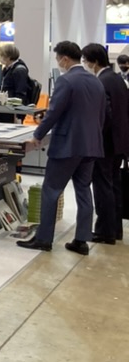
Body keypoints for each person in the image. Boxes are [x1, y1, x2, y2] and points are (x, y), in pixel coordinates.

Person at [18, 41, 105, 254]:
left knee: (51, 190)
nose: (58, 63)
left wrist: (36, 136)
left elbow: (54, 113)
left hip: (67, 146)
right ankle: (81, 240)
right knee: (84, 191)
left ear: (65, 59)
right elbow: (101, 115)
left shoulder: (66, 81)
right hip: (90, 145)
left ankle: (43, 239)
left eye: (58, 59)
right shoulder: (96, 82)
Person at [81, 43, 129, 244]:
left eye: (85, 61)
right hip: (119, 142)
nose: (84, 64)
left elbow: (105, 115)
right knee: (114, 185)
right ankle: (115, 229)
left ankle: (104, 232)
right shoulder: (117, 79)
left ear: (94, 62)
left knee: (102, 187)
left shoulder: (102, 82)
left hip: (105, 143)